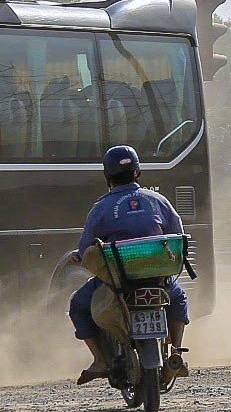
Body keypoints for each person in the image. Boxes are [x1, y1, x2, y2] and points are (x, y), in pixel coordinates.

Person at [68, 145, 190, 385]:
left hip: (118, 282)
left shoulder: (101, 207)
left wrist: (80, 256)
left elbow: (85, 249)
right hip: (159, 279)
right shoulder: (158, 200)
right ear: (137, 172)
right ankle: (176, 351)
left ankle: (100, 361)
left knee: (77, 305)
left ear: (107, 175)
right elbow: (177, 234)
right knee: (179, 298)